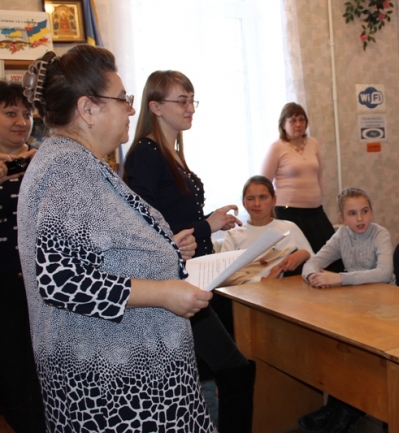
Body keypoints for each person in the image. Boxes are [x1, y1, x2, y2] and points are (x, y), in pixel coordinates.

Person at [18, 46, 213, 432]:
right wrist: (163, 293)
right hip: (114, 386)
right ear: (88, 109)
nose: (131, 110)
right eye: (123, 99)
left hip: (129, 378)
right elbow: (61, 279)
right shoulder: (67, 169)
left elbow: (103, 249)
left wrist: (166, 249)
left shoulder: (79, 163)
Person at [122, 70, 255, 433]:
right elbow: (144, 225)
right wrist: (206, 225)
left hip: (195, 275)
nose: (190, 107)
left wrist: (210, 223)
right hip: (176, 281)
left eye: (193, 100)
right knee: (235, 370)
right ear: (155, 107)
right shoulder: (146, 154)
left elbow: (174, 215)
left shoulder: (172, 152)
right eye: (182, 101)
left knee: (209, 373)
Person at [299, 187, 394, 433]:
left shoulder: (380, 234)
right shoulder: (341, 234)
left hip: (387, 309)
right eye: (352, 214)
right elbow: (313, 262)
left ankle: (345, 411)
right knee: (340, 352)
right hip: (358, 308)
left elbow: (384, 273)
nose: (360, 219)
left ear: (372, 212)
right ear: (341, 218)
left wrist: (339, 278)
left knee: (359, 357)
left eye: (365, 211)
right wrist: (312, 277)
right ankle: (337, 407)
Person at [0, 81, 45, 433]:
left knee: (42, 373)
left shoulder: (44, 161)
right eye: (10, 113)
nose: (21, 121)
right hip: (3, 290)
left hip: (41, 285)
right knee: (11, 376)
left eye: (27, 114)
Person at [261, 102, 343, 271]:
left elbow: (319, 175)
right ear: (283, 125)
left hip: (315, 212)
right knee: (296, 263)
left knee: (332, 257)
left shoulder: (313, 143)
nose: (298, 124)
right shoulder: (277, 147)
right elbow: (264, 184)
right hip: (287, 213)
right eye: (292, 120)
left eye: (301, 119)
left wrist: (318, 199)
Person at [221, 175, 313, 284]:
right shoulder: (233, 235)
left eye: (263, 197)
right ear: (243, 202)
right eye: (250, 199)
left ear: (273, 200)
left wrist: (304, 254)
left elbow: (315, 263)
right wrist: (264, 280)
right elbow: (223, 275)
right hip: (244, 293)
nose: (257, 204)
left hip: (284, 291)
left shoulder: (289, 228)